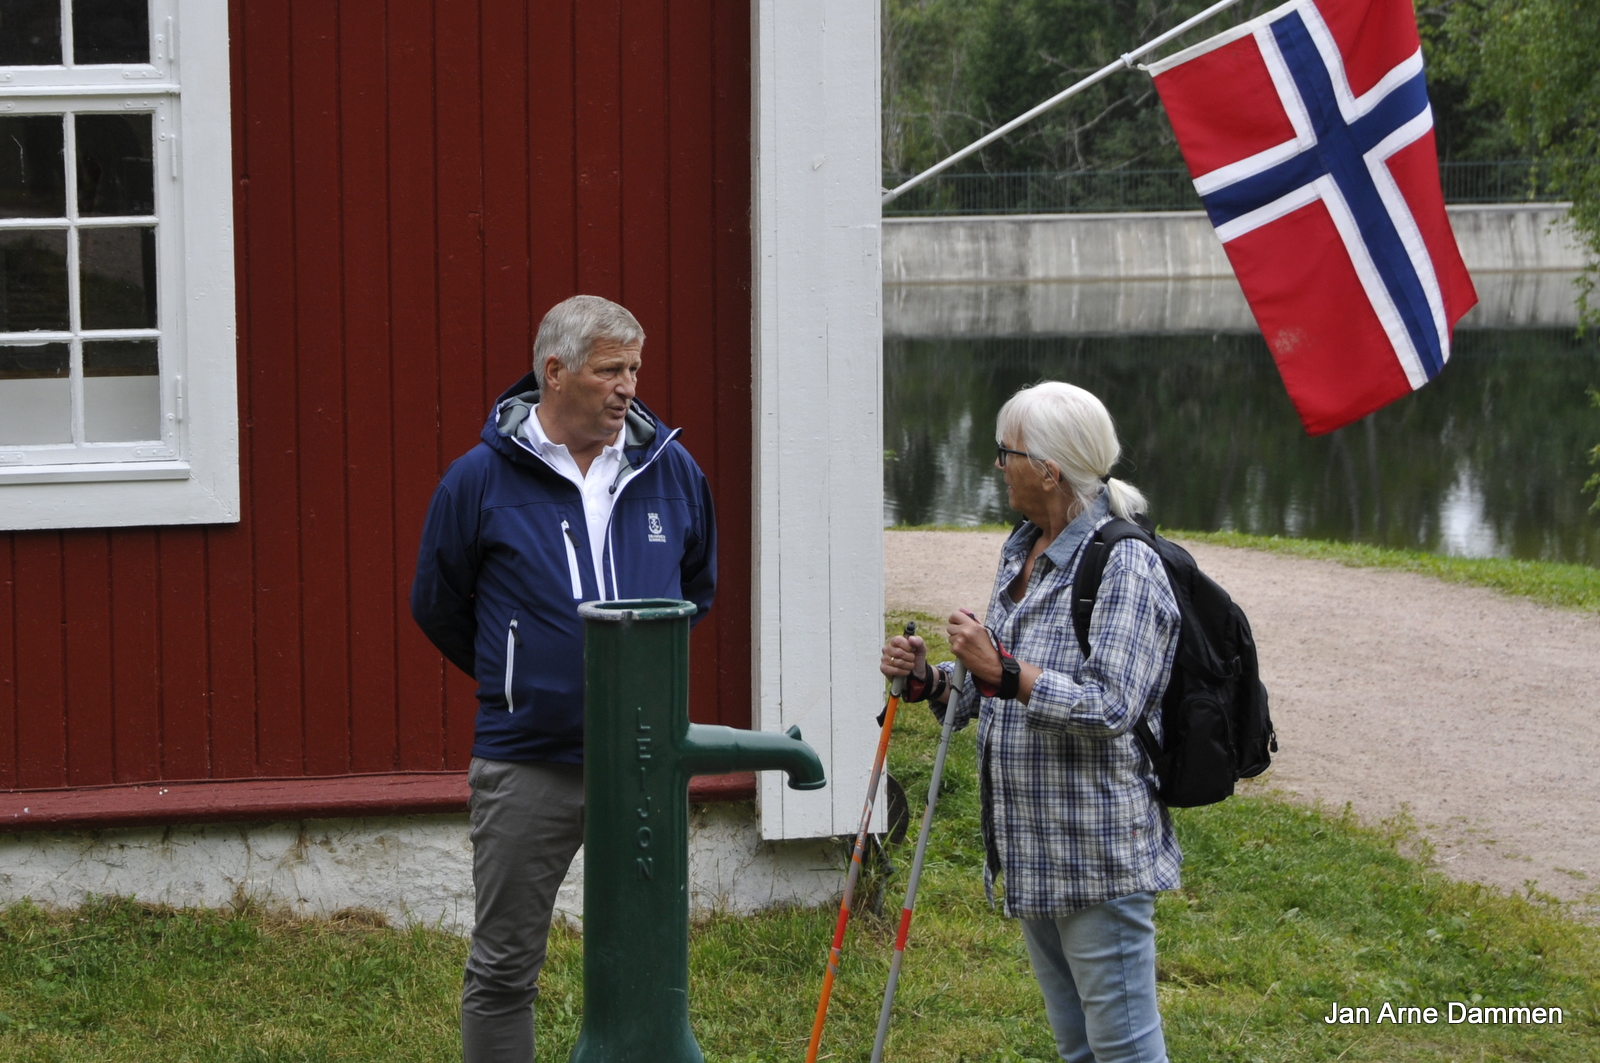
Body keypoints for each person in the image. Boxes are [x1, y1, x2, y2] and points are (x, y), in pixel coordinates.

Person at [411, 294, 717, 1062]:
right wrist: (520, 676)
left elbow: (695, 590)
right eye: (611, 369)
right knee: (506, 966)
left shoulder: (671, 470)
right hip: (527, 760)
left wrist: (636, 693)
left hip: (643, 766)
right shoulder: (478, 480)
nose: (629, 386)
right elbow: (439, 605)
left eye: (635, 369)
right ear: (555, 372)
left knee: (651, 971)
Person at [879, 381, 1180, 1063]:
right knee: (1078, 1047)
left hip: (1097, 853)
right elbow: (994, 685)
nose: (997, 466)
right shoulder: (1022, 550)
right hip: (1033, 849)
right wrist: (933, 679)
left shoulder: (1126, 563)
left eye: (1005, 452)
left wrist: (1006, 670)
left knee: (1126, 1052)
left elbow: (1112, 705)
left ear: (1048, 467)